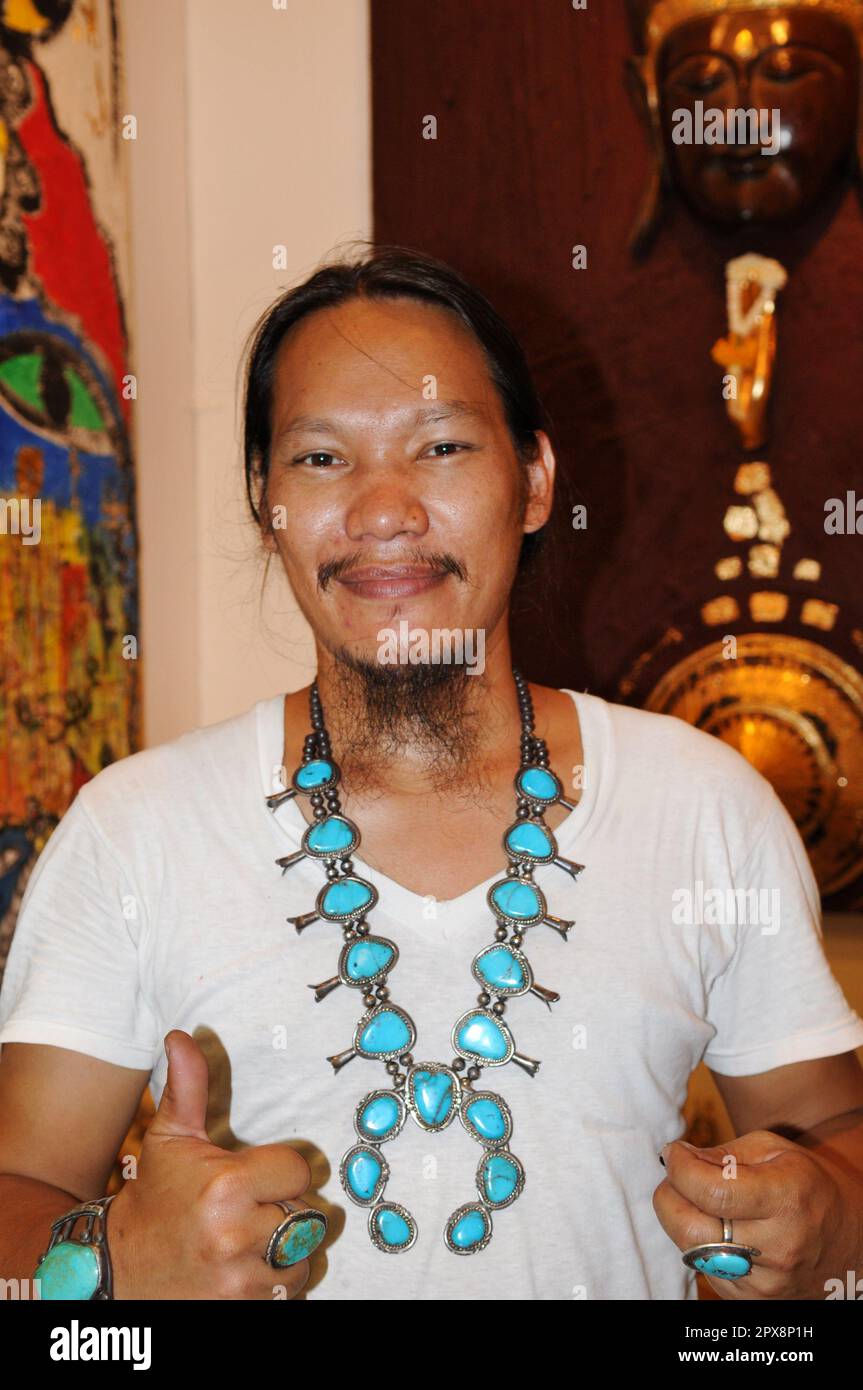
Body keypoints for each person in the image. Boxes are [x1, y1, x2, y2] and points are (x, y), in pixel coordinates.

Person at [1, 244, 862, 1302]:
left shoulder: (703, 806)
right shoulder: (135, 828)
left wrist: (827, 1212)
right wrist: (108, 1265)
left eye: (441, 445)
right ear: (263, 503)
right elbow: (21, 1186)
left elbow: (833, 1131)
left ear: (534, 482)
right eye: (319, 459)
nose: (381, 511)